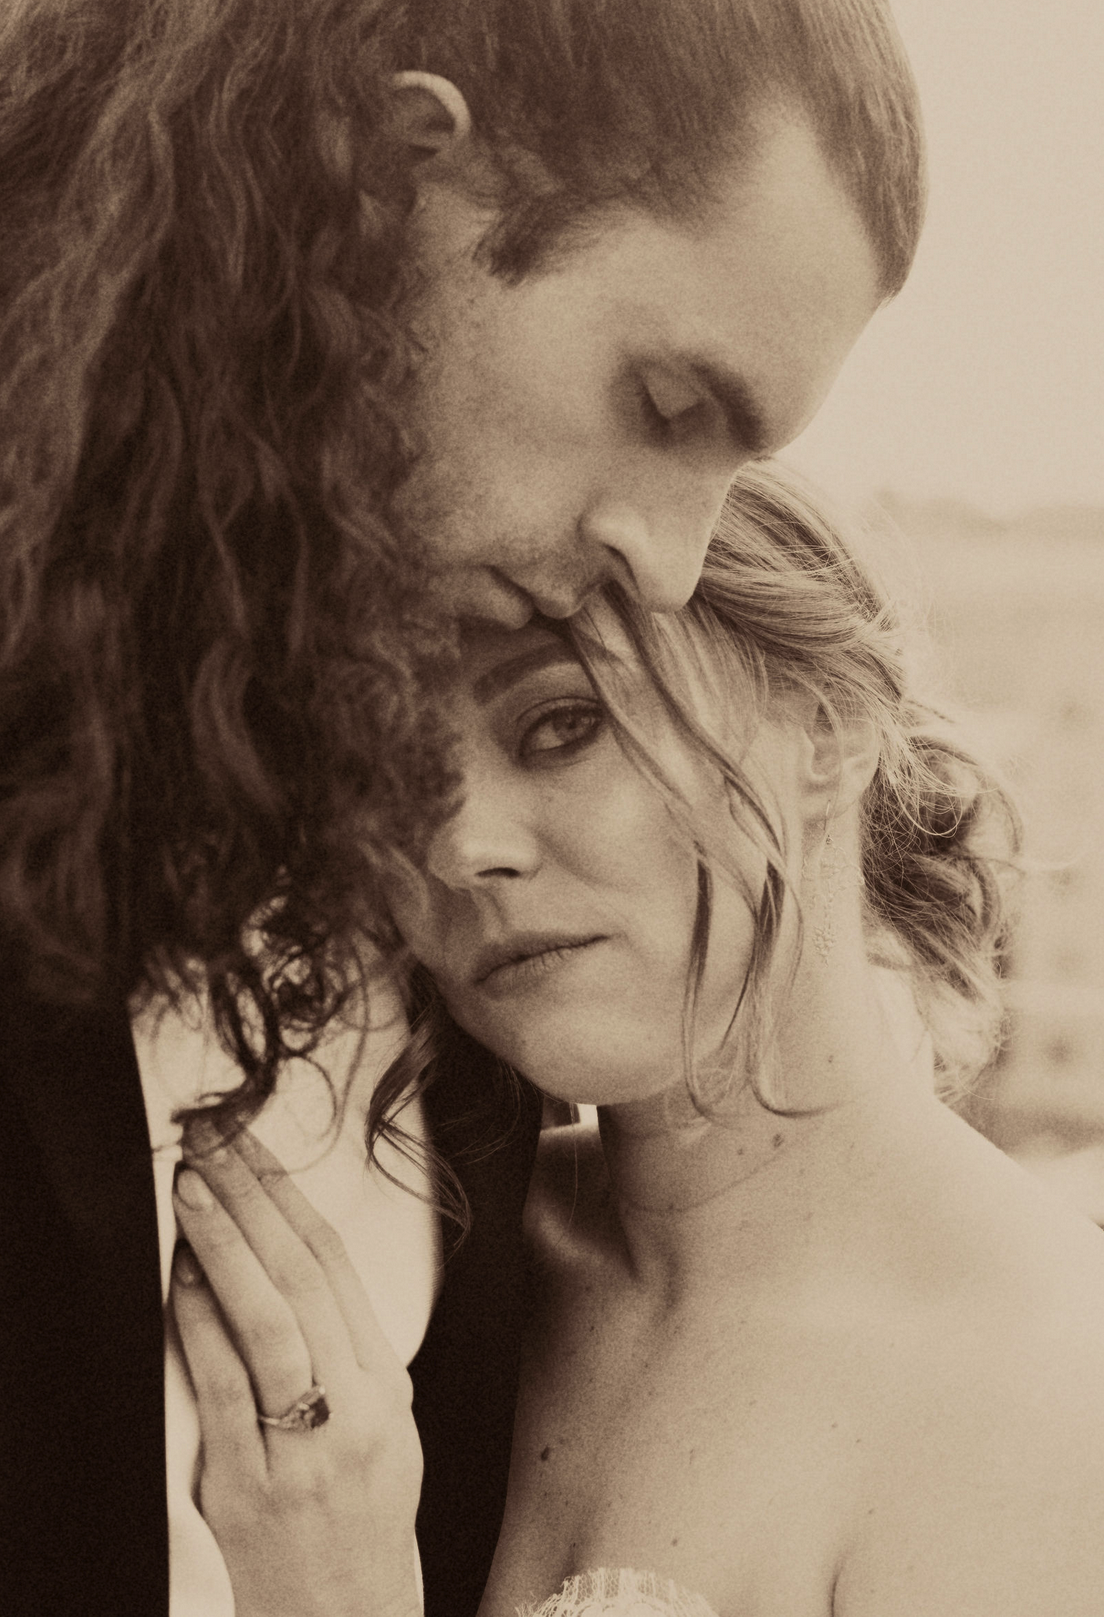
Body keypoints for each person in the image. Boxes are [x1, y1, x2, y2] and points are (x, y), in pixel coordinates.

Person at [0, 2, 924, 1613]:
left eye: (559, 725)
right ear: (405, 179)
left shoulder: (464, 1013)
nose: (677, 561)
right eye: (663, 401)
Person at [177, 465, 1104, 1616]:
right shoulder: (419, 1242)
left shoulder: (1042, 1398)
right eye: (394, 785)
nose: (459, 847)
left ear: (827, 726)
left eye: (561, 725)